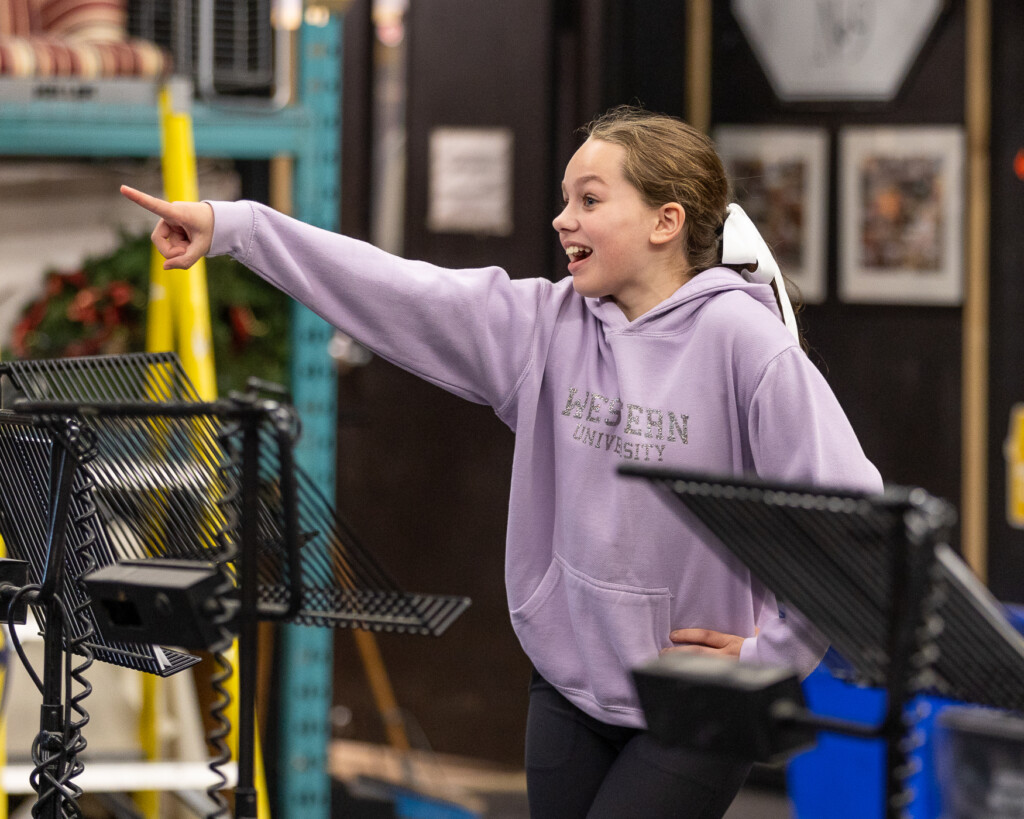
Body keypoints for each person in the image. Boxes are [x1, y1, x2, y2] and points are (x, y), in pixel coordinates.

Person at [122, 105, 882, 819]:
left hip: (698, 695)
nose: (563, 219)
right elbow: (399, 290)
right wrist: (238, 226)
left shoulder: (747, 346)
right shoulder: (544, 326)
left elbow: (851, 518)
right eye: (564, 199)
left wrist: (769, 655)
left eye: (589, 200)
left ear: (666, 220)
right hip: (569, 677)